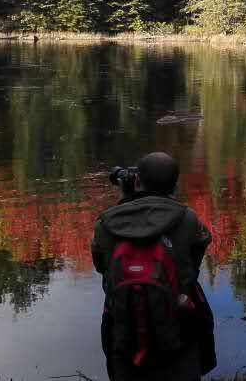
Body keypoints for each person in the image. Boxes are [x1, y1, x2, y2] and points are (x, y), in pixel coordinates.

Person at [92, 152, 216, 381]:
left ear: (137, 181)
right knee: (194, 296)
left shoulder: (104, 224)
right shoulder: (187, 219)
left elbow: (102, 267)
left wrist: (125, 201)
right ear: (175, 185)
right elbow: (195, 260)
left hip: (124, 330)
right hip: (179, 327)